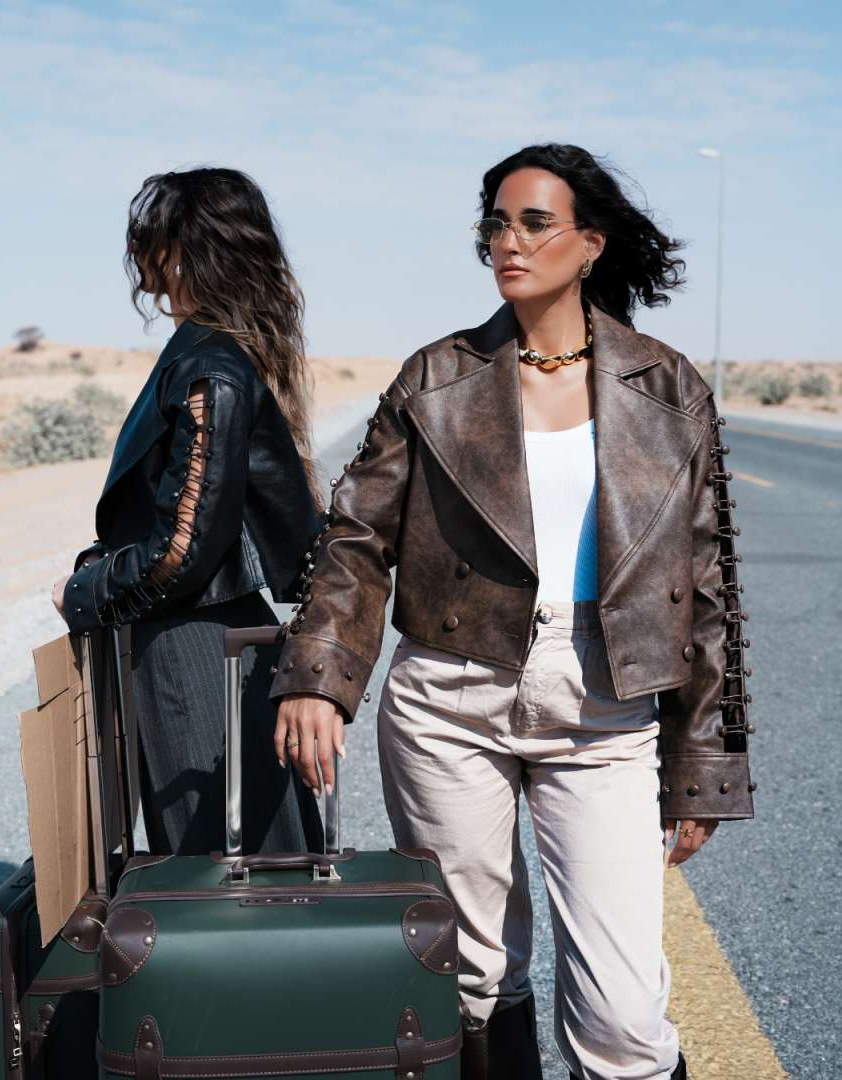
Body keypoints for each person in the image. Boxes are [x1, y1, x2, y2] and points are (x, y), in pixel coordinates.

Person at [269, 144, 756, 1079]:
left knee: (622, 1013)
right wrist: (319, 677)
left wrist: (704, 768)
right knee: (474, 979)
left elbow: (706, 591)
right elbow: (356, 538)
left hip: (604, 707)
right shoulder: (435, 378)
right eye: (496, 220)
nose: (508, 239)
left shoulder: (668, 390)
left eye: (536, 222)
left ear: (592, 244)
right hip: (448, 698)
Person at [52, 167, 323, 856]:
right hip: (211, 636)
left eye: (155, 243)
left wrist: (83, 591)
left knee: (216, 873)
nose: (145, 263)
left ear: (185, 252)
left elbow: (184, 550)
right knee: (251, 866)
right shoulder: (217, 355)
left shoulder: (212, 367)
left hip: (195, 646)